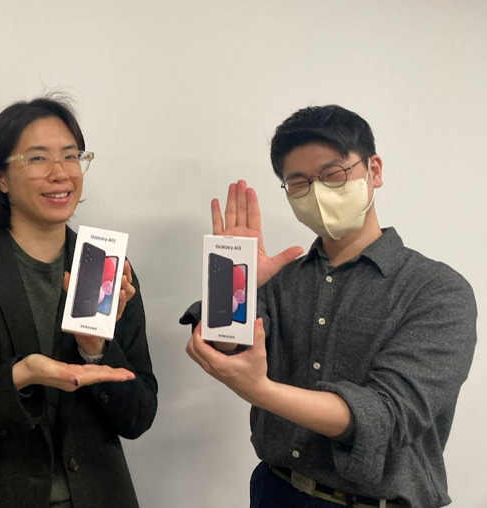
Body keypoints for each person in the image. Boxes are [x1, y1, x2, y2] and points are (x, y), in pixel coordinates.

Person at [183, 105, 477, 508]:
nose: (317, 193)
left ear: (373, 170)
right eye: (299, 183)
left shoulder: (438, 291)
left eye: (333, 174)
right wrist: (232, 280)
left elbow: (387, 416)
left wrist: (263, 392)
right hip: (275, 489)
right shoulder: (282, 279)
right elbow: (227, 346)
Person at [0, 97, 158, 508]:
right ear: (0, 177)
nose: (60, 172)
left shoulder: (109, 268)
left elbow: (139, 416)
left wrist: (94, 350)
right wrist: (17, 379)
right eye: (38, 158)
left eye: (71, 156)